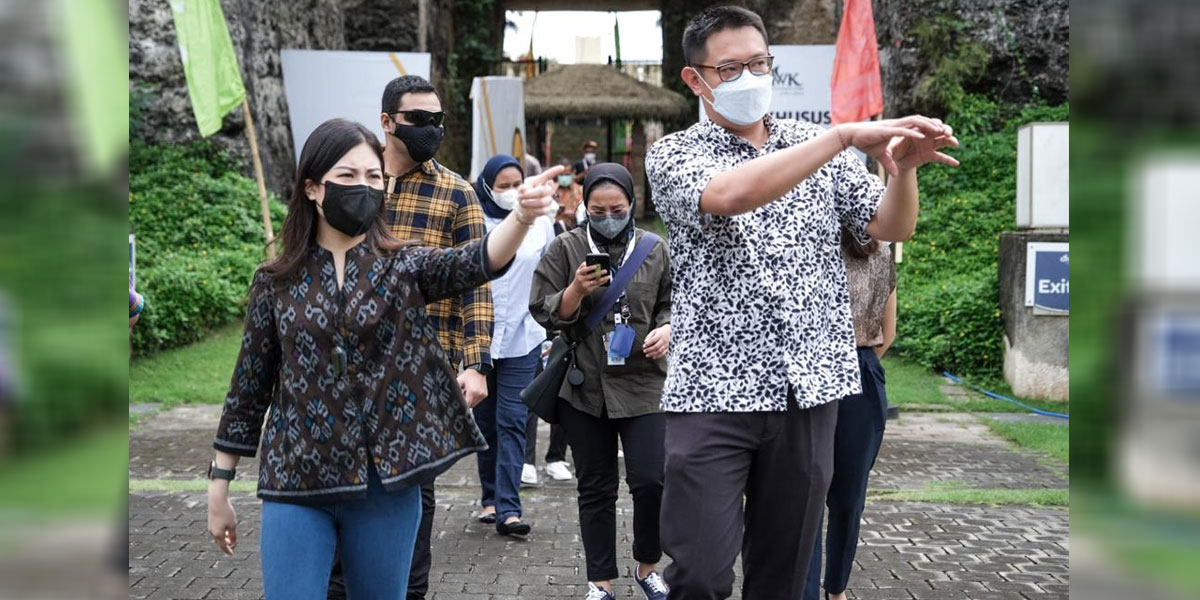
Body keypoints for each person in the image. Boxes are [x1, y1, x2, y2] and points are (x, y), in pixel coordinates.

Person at [644, 6, 958, 599]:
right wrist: (840, 135)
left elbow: (888, 227)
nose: (750, 77)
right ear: (696, 79)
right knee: (702, 571)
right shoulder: (676, 155)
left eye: (759, 63)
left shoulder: (814, 147)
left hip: (810, 388)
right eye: (730, 67)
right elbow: (732, 195)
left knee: (787, 575)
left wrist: (904, 173)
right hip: (714, 390)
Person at [204, 118, 564, 599]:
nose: (363, 187)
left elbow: (475, 260)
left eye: (373, 177)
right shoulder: (276, 280)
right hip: (296, 479)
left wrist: (520, 218)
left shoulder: (404, 265)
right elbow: (249, 387)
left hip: (386, 484)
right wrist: (219, 487)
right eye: (347, 176)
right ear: (313, 188)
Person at [371, 74, 494, 600]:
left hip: (426, 369)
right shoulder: (352, 177)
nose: (430, 129)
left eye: (437, 120)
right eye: (417, 120)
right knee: (345, 489)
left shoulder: (455, 191)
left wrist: (475, 362)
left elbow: (476, 282)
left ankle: (407, 590)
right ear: (387, 121)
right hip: (349, 369)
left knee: (414, 493)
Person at [530, 163, 673, 600]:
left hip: (644, 384)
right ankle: (600, 583)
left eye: (617, 208)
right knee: (596, 486)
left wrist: (668, 329)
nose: (608, 216)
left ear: (632, 205)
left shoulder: (655, 249)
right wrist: (575, 289)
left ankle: (649, 567)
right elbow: (543, 308)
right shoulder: (564, 248)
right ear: (583, 207)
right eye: (598, 209)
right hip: (585, 385)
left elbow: (673, 300)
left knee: (651, 480)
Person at [804, 227, 897, 600]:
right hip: (808, 370)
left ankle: (836, 587)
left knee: (848, 495)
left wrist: (857, 368)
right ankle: (805, 589)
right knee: (806, 489)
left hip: (862, 370)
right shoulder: (804, 244)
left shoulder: (881, 252)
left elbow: (886, 331)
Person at [469, 154, 555, 535]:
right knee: (485, 423)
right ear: (486, 186)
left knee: (513, 421)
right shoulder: (471, 221)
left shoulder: (541, 225)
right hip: (479, 339)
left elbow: (550, 273)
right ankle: (489, 499)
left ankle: (509, 509)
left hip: (524, 335)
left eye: (515, 185)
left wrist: (551, 330)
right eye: (501, 186)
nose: (509, 193)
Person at [554, 156, 585, 233]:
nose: (564, 177)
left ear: (573, 173)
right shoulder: (551, 190)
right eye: (561, 175)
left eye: (567, 174)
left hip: (576, 232)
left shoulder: (581, 190)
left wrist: (575, 214)